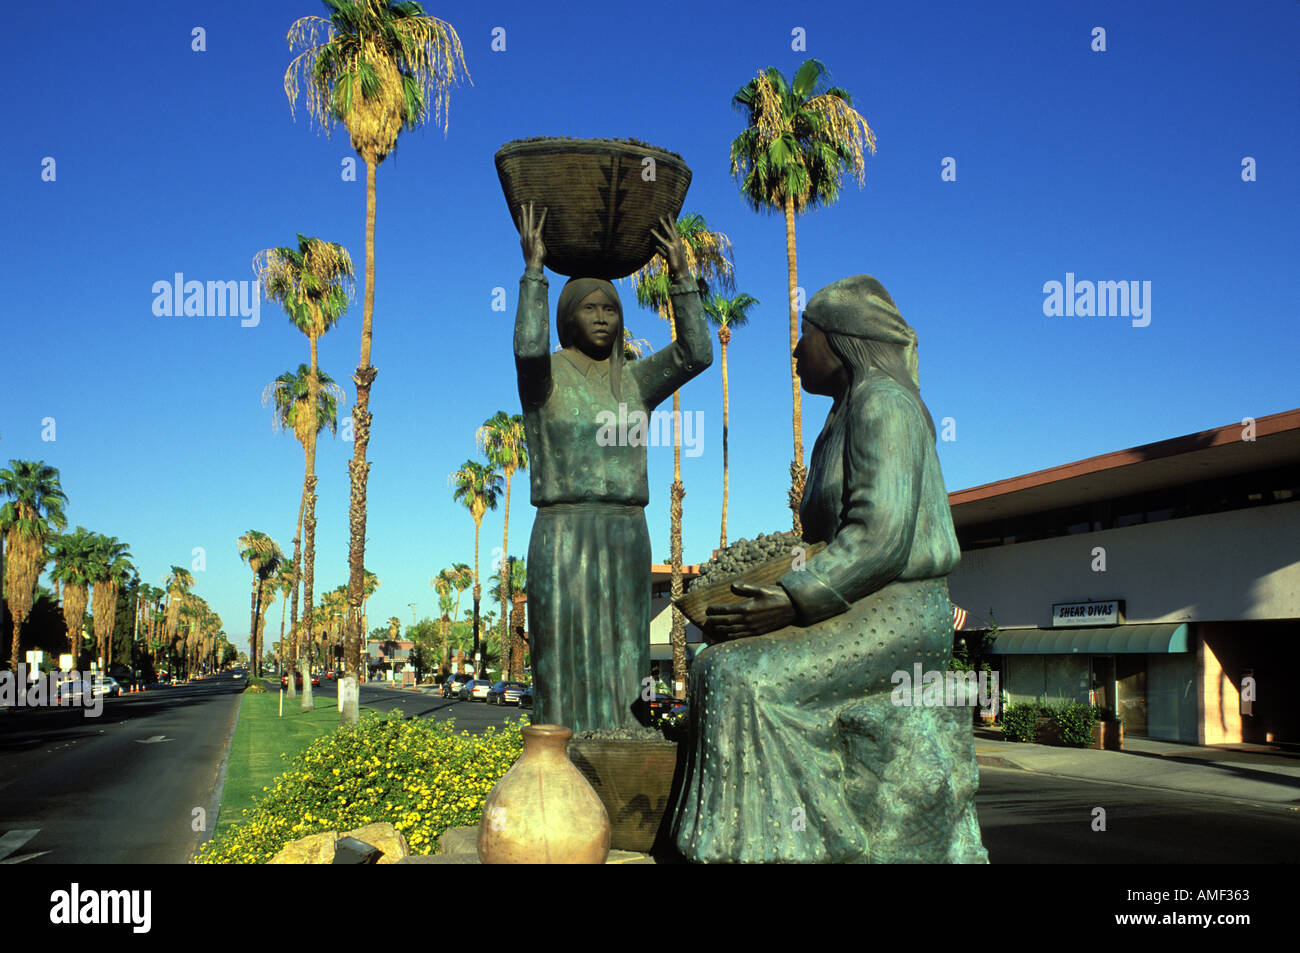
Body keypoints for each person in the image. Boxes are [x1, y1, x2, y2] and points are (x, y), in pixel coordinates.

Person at [673, 275, 974, 863]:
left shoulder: (885, 403)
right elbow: (819, 538)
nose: (794, 350)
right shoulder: (841, 416)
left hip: (903, 609)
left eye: (803, 335)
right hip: (855, 598)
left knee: (742, 679)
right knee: (717, 663)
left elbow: (880, 538)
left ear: (839, 341)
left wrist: (790, 600)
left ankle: (793, 847)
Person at [514, 204, 712, 732]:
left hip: (626, 531)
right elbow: (527, 351)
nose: (603, 317)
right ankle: (558, 771)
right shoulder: (546, 378)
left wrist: (681, 276)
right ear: (566, 318)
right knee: (560, 655)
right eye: (589, 308)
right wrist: (535, 272)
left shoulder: (636, 381)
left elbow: (696, 353)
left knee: (627, 656)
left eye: (611, 309)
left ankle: (624, 756)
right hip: (562, 530)